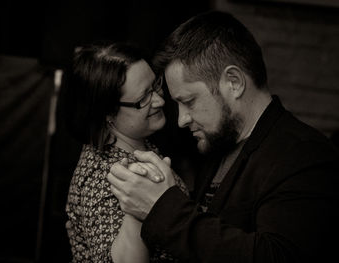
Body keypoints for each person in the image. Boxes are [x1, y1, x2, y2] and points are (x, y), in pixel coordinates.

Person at [107, 11, 339, 263]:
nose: (181, 119)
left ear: (234, 82)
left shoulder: (306, 155)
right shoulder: (220, 142)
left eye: (189, 101)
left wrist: (163, 208)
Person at [63, 42, 188, 262]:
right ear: (107, 114)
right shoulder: (105, 177)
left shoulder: (136, 144)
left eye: (155, 84)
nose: (159, 100)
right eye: (143, 98)